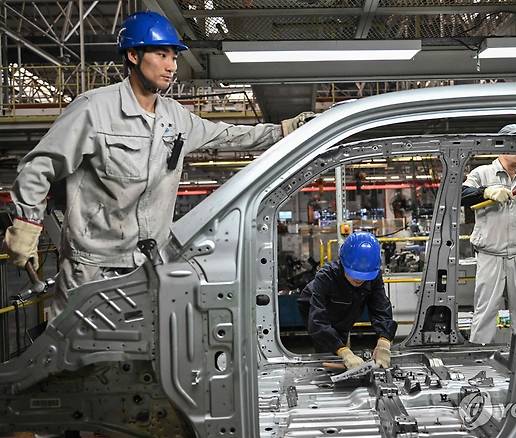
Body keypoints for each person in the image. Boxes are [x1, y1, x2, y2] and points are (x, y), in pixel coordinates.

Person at [1, 11, 311, 314]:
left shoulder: (174, 118)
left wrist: (286, 129)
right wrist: (27, 224)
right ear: (134, 56)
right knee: (81, 360)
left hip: (148, 268)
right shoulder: (93, 110)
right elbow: (39, 167)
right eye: (162, 55)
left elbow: (229, 135)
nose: (171, 66)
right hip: (92, 270)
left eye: (174, 57)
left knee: (146, 360)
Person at [461, 124, 516, 344]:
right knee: (486, 310)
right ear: (502, 146)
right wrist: (485, 191)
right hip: (490, 254)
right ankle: (477, 355)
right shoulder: (482, 173)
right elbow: (460, 194)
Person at [297, 232, 397, 369]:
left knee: (342, 335)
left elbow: (381, 308)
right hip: (315, 308)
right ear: (343, 262)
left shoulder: (374, 275)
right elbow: (318, 321)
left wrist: (384, 341)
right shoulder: (326, 276)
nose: (359, 280)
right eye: (354, 273)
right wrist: (344, 352)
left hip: (346, 307)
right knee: (329, 349)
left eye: (364, 276)